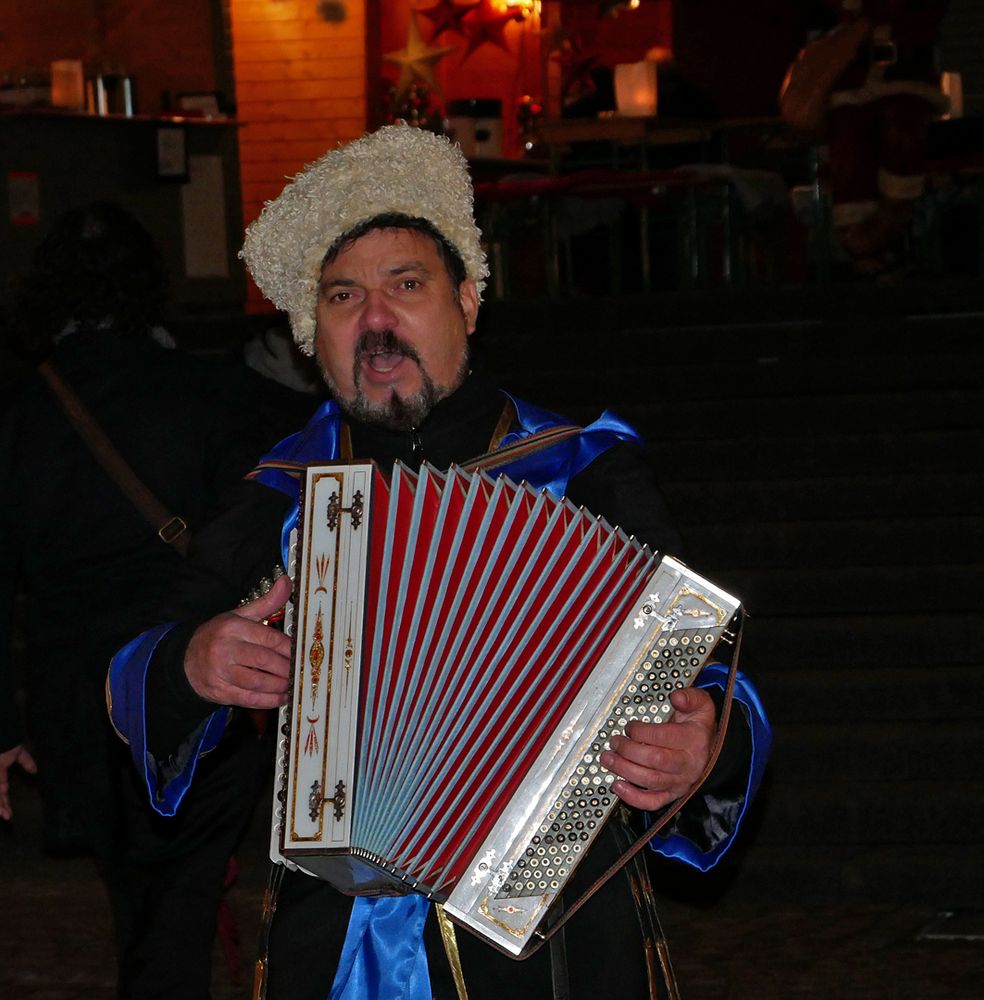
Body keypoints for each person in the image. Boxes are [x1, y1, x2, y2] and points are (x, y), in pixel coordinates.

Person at [107, 125, 771, 1000]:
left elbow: (712, 675)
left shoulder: (583, 466)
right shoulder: (285, 489)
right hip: (336, 935)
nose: (375, 321)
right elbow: (138, 663)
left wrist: (706, 748)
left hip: (549, 934)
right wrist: (195, 663)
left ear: (467, 302)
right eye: (344, 297)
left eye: (406, 286)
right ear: (315, 334)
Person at [0, 201, 301, 998]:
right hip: (193, 681)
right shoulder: (210, 392)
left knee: (139, 896)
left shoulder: (17, 411)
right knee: (181, 897)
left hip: (74, 697)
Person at [823, 0, 951, 273]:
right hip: (853, 78)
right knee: (850, 163)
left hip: (905, 73)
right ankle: (866, 250)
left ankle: (886, 231)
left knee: (902, 142)